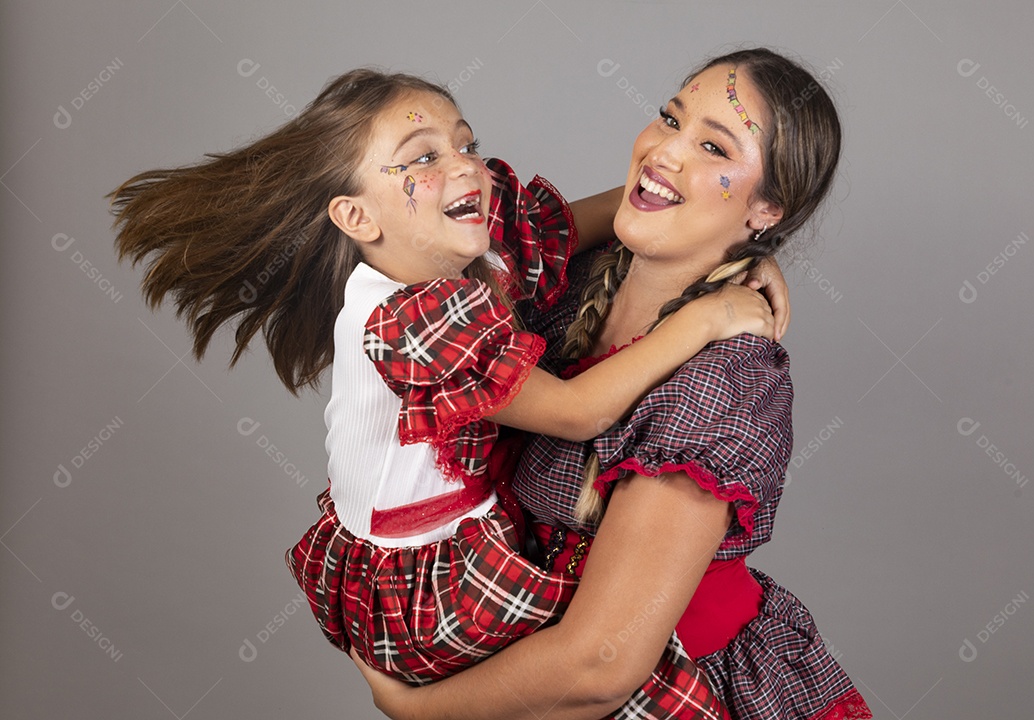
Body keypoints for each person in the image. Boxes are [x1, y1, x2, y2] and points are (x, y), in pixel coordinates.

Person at [109, 68, 791, 719]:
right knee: (609, 675)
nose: (465, 166)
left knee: (601, 663)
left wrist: (738, 243)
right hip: (427, 580)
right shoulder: (410, 318)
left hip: (457, 547)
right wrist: (711, 308)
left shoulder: (454, 252)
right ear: (356, 216)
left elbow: (607, 216)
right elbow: (579, 413)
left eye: (466, 143)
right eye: (422, 157)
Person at [354, 49, 873, 720]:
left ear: (768, 208)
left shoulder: (723, 381)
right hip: (527, 675)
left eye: (713, 146)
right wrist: (739, 261)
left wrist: (417, 711)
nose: (665, 151)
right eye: (669, 118)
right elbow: (441, 246)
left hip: (667, 691)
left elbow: (601, 666)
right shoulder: (568, 286)